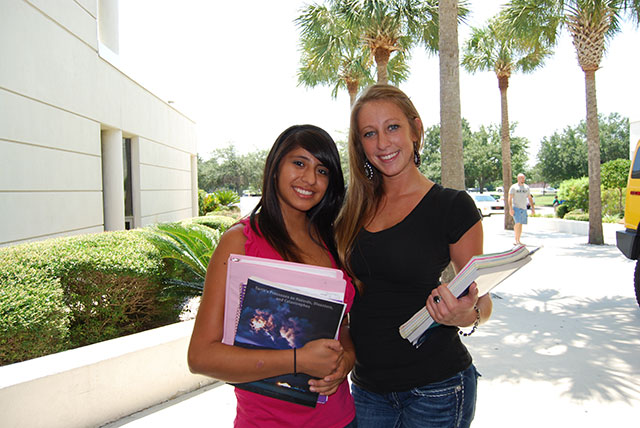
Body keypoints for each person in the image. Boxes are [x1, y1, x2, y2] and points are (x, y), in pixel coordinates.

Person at [334, 84, 492, 428]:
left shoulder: (452, 207)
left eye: (393, 127)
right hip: (366, 389)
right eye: (369, 134)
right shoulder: (350, 209)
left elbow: (482, 303)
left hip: (437, 388)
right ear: (359, 145)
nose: (383, 143)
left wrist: (464, 315)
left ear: (416, 130)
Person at [188, 125, 356, 428]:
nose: (310, 179)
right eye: (299, 163)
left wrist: (346, 360)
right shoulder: (240, 242)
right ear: (275, 166)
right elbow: (201, 357)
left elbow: (340, 327)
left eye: (322, 170)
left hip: (340, 419)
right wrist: (298, 360)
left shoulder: (334, 240)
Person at [508, 173, 535, 245]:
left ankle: (519, 240)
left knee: (520, 224)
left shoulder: (526, 187)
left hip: (524, 208)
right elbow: (510, 198)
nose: (522, 179)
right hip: (516, 207)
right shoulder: (514, 187)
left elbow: (529, 198)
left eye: (523, 178)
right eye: (520, 178)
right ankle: (516, 240)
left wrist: (532, 208)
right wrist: (510, 208)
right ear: (518, 179)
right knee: (517, 223)